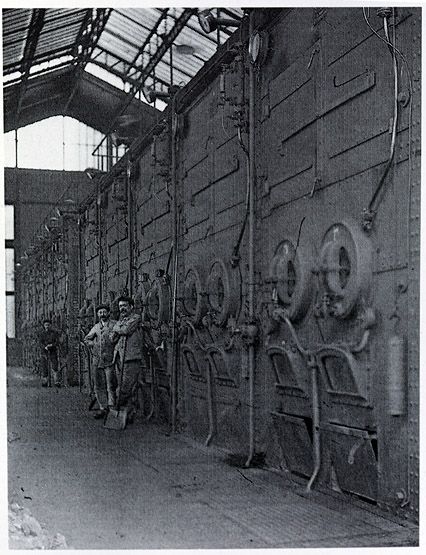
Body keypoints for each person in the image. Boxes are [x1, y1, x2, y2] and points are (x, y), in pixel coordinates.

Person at [110, 296, 153, 424]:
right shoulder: (121, 320)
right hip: (119, 357)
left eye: (124, 306)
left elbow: (126, 330)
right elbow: (112, 338)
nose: (122, 308)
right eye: (120, 306)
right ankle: (129, 415)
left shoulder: (136, 318)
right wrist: (119, 328)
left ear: (131, 307)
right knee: (127, 387)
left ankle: (118, 411)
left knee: (125, 388)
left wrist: (118, 327)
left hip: (131, 357)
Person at [84, 304, 117, 419]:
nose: (102, 314)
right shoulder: (96, 327)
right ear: (97, 314)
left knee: (110, 385)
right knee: (98, 385)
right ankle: (103, 408)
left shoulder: (114, 325)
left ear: (108, 313)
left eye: (104, 312)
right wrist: (93, 344)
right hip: (97, 360)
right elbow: (87, 338)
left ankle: (112, 408)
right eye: (100, 313)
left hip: (110, 359)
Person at [39, 319, 61, 387]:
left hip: (53, 351)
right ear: (44, 326)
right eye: (46, 325)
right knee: (44, 366)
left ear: (50, 325)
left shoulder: (54, 333)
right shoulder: (42, 334)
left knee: (54, 365)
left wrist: (52, 345)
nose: (47, 326)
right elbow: (40, 342)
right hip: (44, 352)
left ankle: (56, 381)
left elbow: (57, 342)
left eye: (48, 325)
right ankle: (45, 381)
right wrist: (45, 347)